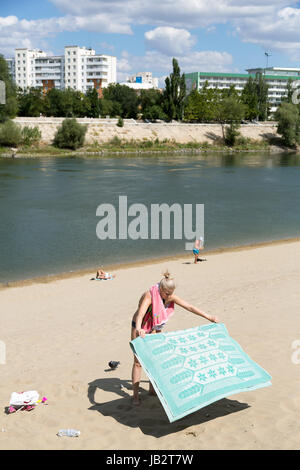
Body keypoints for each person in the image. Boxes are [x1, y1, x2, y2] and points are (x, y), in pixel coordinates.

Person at [131, 270, 219, 405]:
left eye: (171, 293)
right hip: (140, 326)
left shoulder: (169, 296)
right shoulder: (149, 296)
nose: (170, 296)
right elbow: (140, 314)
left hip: (154, 327)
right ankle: (135, 396)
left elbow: (189, 307)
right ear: (160, 290)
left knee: (154, 360)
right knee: (138, 362)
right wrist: (139, 328)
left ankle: (152, 390)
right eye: (167, 294)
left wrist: (209, 317)